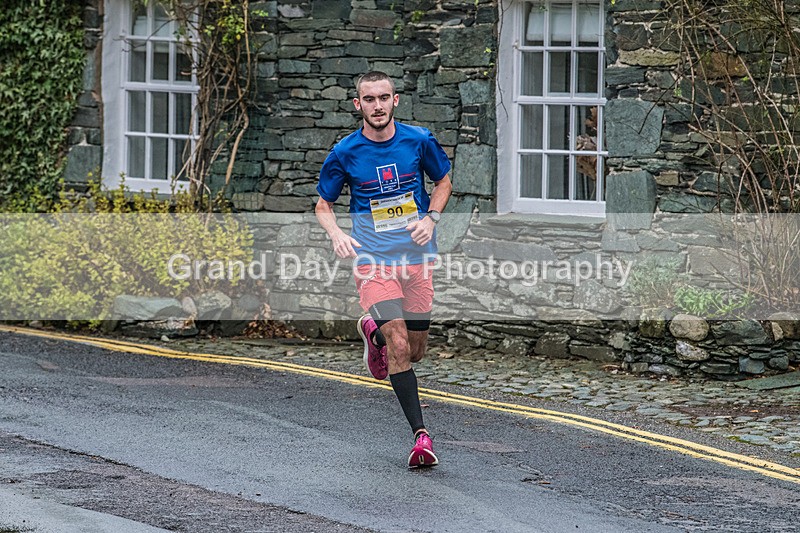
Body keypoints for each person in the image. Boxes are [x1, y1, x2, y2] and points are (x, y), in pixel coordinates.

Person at [314, 71, 452, 468]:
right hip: (373, 260)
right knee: (401, 346)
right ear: (358, 105)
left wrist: (431, 219)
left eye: (384, 98)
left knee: (418, 349)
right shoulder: (345, 152)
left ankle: (371, 331)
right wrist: (337, 233)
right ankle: (420, 437)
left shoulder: (418, 140)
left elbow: (442, 181)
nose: (377, 105)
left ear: (395, 101)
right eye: (369, 99)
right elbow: (324, 204)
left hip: (417, 257)